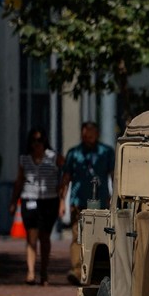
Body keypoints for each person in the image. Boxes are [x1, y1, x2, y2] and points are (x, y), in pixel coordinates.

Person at [61, 121, 116, 284]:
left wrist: (115, 197)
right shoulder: (74, 153)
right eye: (85, 135)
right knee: (77, 236)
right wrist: (62, 202)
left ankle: (97, 270)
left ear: (97, 135)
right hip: (79, 202)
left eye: (91, 135)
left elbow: (114, 175)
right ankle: (78, 271)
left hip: (101, 203)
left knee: (100, 237)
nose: (88, 138)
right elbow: (66, 178)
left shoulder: (106, 152)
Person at [8, 128, 64, 285]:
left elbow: (67, 172)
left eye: (40, 140)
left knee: (45, 238)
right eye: (34, 141)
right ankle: (31, 272)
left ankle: (44, 272)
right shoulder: (24, 159)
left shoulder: (53, 157)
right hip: (29, 200)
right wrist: (13, 202)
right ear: (30, 143)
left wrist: (62, 194)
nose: (37, 144)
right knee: (31, 237)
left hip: (49, 201)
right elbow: (19, 181)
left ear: (45, 141)